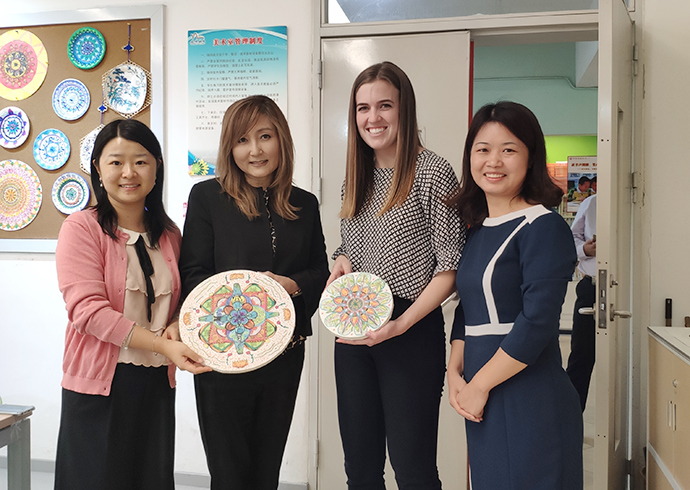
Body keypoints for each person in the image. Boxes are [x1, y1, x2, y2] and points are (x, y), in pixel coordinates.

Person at [179, 95, 329, 490]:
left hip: (284, 354)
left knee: (266, 471)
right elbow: (192, 273)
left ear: (282, 140)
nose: (255, 150)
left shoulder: (305, 203)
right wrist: (240, 300)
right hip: (222, 356)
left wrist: (290, 286)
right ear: (230, 148)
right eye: (242, 140)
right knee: (229, 473)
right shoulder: (207, 198)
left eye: (265, 136)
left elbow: (320, 271)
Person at [328, 61, 465, 489]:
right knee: (360, 468)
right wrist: (341, 258)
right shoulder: (356, 177)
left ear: (405, 108)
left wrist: (401, 324)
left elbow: (451, 266)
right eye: (363, 108)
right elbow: (354, 243)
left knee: (413, 469)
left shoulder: (433, 171)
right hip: (354, 329)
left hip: (410, 329)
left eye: (385, 105)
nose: (373, 118)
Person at [54, 119, 210, 490]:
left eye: (140, 161)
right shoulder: (81, 228)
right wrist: (160, 344)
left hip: (157, 381)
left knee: (150, 479)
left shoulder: (169, 234)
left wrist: (176, 326)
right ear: (98, 168)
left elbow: (181, 300)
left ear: (156, 168)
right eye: (116, 162)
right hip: (99, 385)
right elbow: (87, 312)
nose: (129, 172)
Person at [447, 101, 582, 490]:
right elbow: (467, 308)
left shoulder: (544, 226)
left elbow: (538, 322)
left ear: (530, 157)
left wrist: (479, 385)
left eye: (508, 149)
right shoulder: (477, 229)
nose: (493, 161)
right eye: (483, 149)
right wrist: (454, 372)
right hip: (482, 393)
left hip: (529, 394)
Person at [566, 192, 597, 411]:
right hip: (591, 287)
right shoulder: (592, 202)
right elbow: (572, 239)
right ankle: (571, 415)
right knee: (581, 355)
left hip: (625, 288)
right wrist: (584, 250)